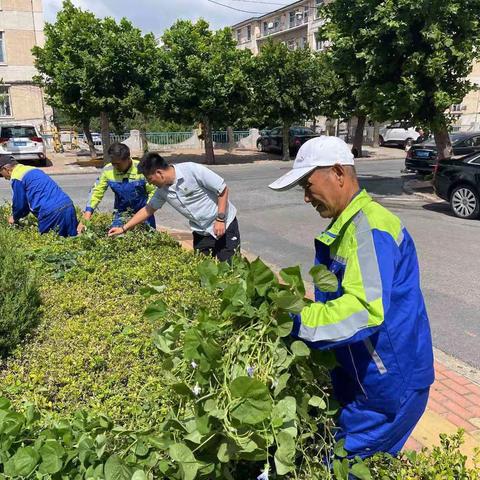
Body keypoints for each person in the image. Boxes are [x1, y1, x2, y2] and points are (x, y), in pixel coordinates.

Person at [268, 136, 434, 459]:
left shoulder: (368, 230)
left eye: (308, 184)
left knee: (338, 465)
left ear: (338, 173)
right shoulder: (347, 227)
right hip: (368, 379)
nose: (305, 197)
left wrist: (295, 319)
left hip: (388, 389)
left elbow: (363, 310)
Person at [108, 152, 240, 262]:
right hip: (201, 231)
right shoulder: (162, 190)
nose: (150, 183)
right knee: (203, 271)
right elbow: (148, 210)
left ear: (159, 173)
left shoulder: (192, 170)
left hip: (224, 226)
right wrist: (124, 228)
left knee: (229, 268)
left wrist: (220, 219)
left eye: (150, 179)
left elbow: (222, 189)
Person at [77, 143, 156, 234]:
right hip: (121, 214)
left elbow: (153, 192)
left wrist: (144, 213)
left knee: (147, 240)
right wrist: (87, 214)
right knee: (115, 238)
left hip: (144, 212)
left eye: (118, 164)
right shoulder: (108, 170)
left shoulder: (142, 168)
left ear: (128, 159)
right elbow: (97, 191)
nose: (115, 166)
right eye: (113, 163)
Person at [0, 156, 77, 237]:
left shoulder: (17, 177)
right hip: (68, 206)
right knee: (72, 242)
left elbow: (20, 205)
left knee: (49, 244)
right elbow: (25, 208)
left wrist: (14, 217)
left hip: (51, 213)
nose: (4, 177)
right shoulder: (32, 169)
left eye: (1, 172)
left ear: (6, 169)